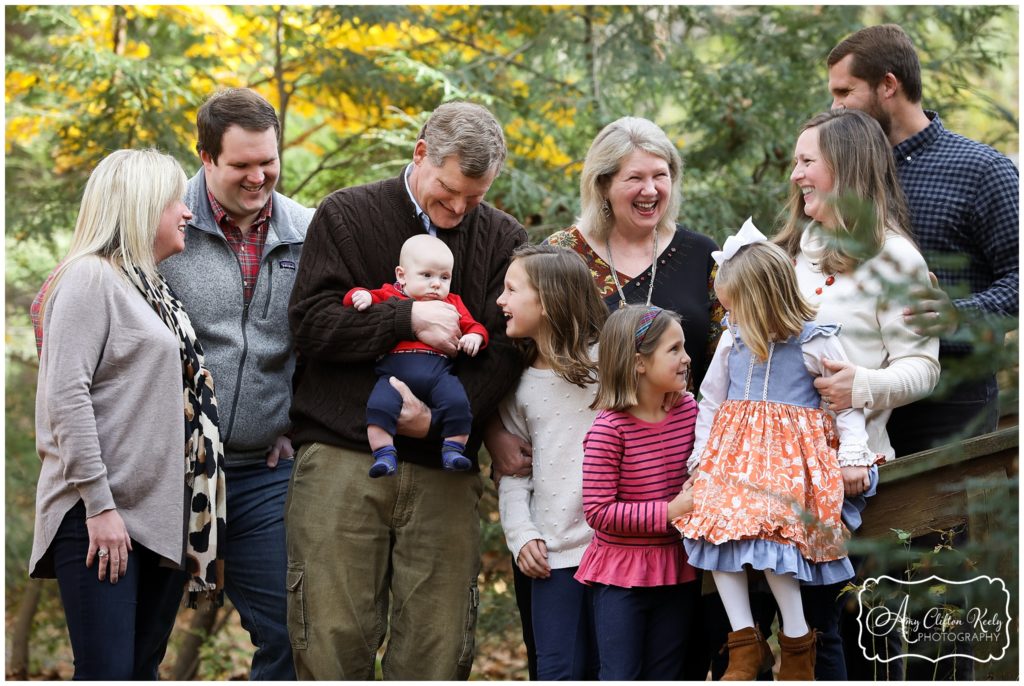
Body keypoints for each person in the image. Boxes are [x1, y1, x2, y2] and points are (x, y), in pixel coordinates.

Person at [285, 100, 527, 680]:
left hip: (444, 469)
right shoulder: (347, 215)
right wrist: (405, 321)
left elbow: (507, 347)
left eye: (475, 195)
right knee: (331, 636)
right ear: (421, 154)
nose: (459, 207)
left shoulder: (500, 237)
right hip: (344, 456)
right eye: (448, 191)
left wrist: (444, 418)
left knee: (436, 645)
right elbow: (312, 323)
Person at [490, 116, 723, 679]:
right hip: (568, 527)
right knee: (570, 659)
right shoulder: (560, 256)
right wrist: (495, 433)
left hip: (664, 485)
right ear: (602, 184)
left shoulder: (700, 255)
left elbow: (728, 358)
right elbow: (519, 362)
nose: (650, 190)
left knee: (662, 658)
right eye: (634, 178)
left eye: (661, 176)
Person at [29, 149, 226, 679]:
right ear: (139, 208)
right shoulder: (89, 279)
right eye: (174, 204)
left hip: (157, 524)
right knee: (108, 674)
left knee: (137, 672)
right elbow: (66, 397)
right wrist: (98, 505)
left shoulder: (152, 292)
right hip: (100, 517)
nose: (187, 213)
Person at [773, 108, 941, 679]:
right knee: (795, 637)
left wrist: (862, 387)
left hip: (850, 483)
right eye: (796, 161)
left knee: (849, 639)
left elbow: (923, 367)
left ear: (845, 168)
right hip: (774, 476)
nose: (795, 174)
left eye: (806, 161)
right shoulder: (795, 249)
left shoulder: (896, 259)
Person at [675, 223, 874, 680]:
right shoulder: (733, 337)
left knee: (771, 534)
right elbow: (711, 401)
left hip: (790, 462)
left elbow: (845, 403)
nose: (731, 318)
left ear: (763, 299)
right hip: (733, 459)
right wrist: (700, 460)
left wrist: (853, 455)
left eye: (737, 307)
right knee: (711, 529)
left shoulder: (814, 339)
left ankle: (797, 642)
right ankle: (745, 642)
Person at [159, 87, 312, 680]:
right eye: (241, 165)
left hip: (261, 475)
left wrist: (297, 421)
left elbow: (324, 340)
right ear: (205, 157)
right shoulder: (167, 223)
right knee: (141, 638)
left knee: (290, 633)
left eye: (267, 161)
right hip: (171, 471)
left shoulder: (308, 228)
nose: (258, 177)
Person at [826, 23, 1019, 456]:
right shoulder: (842, 173)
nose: (835, 107)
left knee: (953, 524)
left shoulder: (982, 171)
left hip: (949, 404)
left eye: (845, 92)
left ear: (888, 85)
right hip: (854, 406)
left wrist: (957, 315)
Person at [495, 244, 608, 679]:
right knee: (558, 670)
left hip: (617, 552)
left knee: (613, 670)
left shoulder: (610, 364)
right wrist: (521, 535)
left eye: (511, 289)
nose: (501, 301)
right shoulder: (519, 384)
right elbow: (513, 473)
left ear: (547, 299)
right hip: (553, 559)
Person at [575, 304, 699, 680]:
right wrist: (669, 511)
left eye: (684, 347)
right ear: (639, 363)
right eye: (673, 349)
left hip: (677, 569)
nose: (687, 358)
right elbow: (598, 512)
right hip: (620, 577)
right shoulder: (608, 430)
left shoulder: (689, 412)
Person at [345, 233, 488, 476]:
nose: (436, 284)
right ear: (402, 275)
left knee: (457, 402)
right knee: (379, 406)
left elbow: (473, 325)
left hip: (438, 373)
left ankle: (453, 449)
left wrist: (475, 336)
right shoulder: (392, 295)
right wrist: (363, 296)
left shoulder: (452, 302)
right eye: (427, 275)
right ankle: (383, 454)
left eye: (444, 277)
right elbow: (353, 298)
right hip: (393, 375)